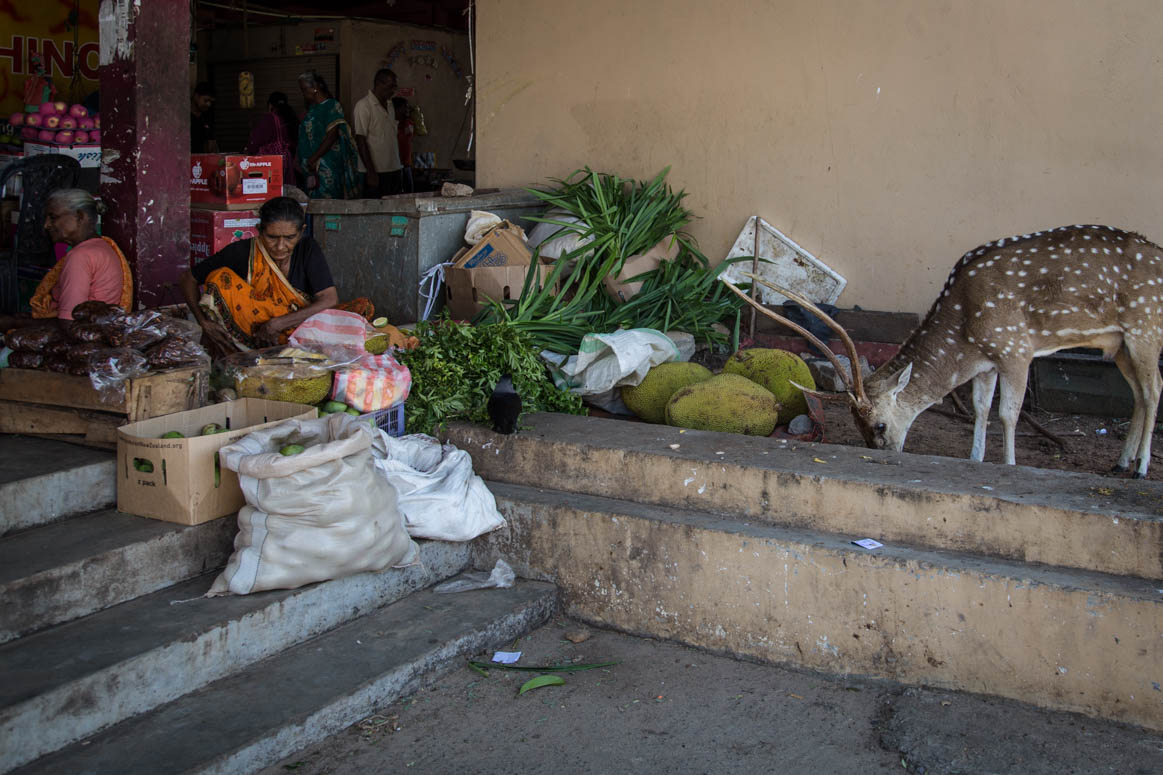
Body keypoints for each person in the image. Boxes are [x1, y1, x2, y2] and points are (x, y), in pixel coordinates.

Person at [180, 197, 372, 354]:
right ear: (260, 231)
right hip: (250, 339)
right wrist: (203, 322)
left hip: (301, 334)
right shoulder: (242, 252)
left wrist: (278, 323)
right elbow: (189, 278)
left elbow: (329, 299)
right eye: (272, 237)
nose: (281, 247)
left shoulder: (307, 249)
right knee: (220, 277)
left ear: (301, 232)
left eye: (289, 238)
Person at [0, 189, 132, 331]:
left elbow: (69, 325)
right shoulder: (102, 246)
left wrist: (14, 323)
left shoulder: (80, 256)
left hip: (85, 339)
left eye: (53, 217)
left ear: (80, 216)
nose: (46, 225)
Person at [296, 71, 359, 200]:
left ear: (314, 88)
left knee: (328, 204)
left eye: (304, 89)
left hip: (327, 167)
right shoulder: (313, 109)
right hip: (312, 168)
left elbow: (332, 136)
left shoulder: (332, 106)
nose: (303, 93)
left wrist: (313, 159)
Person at [353, 69, 403, 198]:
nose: (394, 90)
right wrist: (371, 172)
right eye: (391, 86)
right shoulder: (363, 106)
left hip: (394, 170)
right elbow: (360, 140)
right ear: (379, 84)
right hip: (375, 173)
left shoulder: (390, 105)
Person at [246, 91, 298, 185]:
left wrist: (249, 150)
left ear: (270, 105)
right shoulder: (291, 118)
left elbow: (256, 141)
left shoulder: (270, 118)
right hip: (288, 162)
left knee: (272, 190)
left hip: (272, 163)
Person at [392, 96, 415, 194]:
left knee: (409, 193)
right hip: (394, 166)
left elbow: (407, 133)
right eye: (404, 107)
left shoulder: (407, 123)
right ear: (397, 109)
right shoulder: (390, 124)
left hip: (406, 165)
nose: (407, 109)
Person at [191, 82, 217, 154]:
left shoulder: (207, 118)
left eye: (211, 102)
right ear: (196, 96)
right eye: (206, 100)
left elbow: (212, 145)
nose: (208, 104)